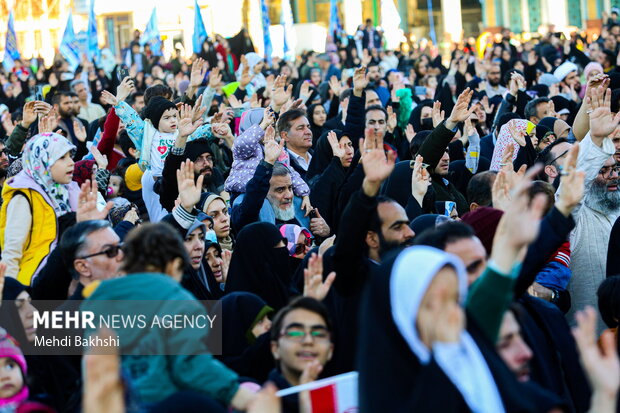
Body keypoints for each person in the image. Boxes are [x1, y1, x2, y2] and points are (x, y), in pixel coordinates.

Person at [82, 222, 256, 410]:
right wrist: (238, 394)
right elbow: (191, 366)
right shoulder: (177, 300)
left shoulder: (95, 302)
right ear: (175, 265)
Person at [0, 132, 80, 285]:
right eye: (62, 158)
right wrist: (11, 292)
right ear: (43, 161)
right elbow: (12, 251)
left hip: (68, 276)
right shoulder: (23, 197)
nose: (71, 163)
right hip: (34, 282)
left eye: (71, 156)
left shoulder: (69, 191)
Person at [268, 296, 334, 413]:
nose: (308, 340)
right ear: (275, 349)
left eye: (319, 334)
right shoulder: (256, 402)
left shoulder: (347, 401)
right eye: (295, 333)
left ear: (330, 350)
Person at [215, 292, 274, 382]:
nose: (269, 324)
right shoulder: (226, 379)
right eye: (260, 321)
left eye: (268, 318)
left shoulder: (273, 360)